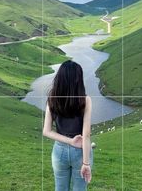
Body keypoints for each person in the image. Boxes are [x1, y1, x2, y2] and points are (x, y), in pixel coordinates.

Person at [43, 60, 93, 191]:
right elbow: (86, 134)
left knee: (60, 188)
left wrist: (70, 141)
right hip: (81, 151)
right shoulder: (85, 100)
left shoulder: (52, 98)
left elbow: (46, 131)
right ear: (78, 79)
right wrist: (86, 163)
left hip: (59, 151)